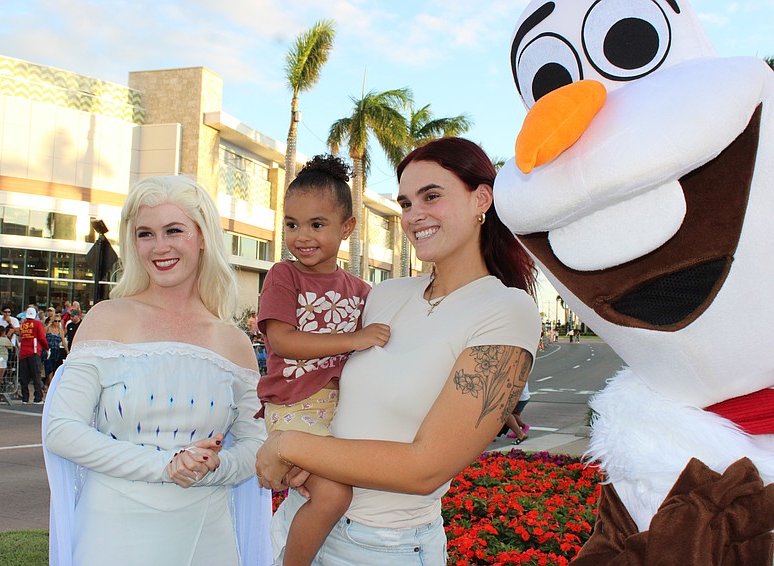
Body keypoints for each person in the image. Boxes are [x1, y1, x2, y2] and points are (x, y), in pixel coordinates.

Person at [256, 137, 541, 565]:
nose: (414, 215)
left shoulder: (506, 309)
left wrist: (287, 445)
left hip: (383, 546)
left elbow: (423, 469)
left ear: (481, 199)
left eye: (431, 196)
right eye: (406, 203)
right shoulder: (385, 295)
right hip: (308, 520)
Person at [43, 175, 271, 566]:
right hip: (110, 532)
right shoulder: (106, 319)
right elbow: (61, 429)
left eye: (174, 230)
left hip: (208, 535)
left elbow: (258, 446)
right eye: (145, 233)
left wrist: (214, 467)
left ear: (202, 236)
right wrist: (165, 465)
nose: (159, 247)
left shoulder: (231, 340)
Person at [257, 155, 390, 566]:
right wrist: (355, 337)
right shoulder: (284, 275)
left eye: (317, 224)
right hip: (294, 406)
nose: (302, 236)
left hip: (338, 412)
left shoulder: (363, 290)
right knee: (333, 492)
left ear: (347, 228)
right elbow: (283, 341)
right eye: (292, 224)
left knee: (336, 488)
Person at [18, 306, 47, 404]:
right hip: (33, 352)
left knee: (24, 376)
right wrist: (47, 348)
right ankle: (37, 398)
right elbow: (42, 338)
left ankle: (25, 398)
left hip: (23, 352)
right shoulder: (37, 324)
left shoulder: (22, 325)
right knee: (36, 376)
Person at [43, 313, 68, 387]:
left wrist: (67, 351)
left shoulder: (60, 330)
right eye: (56, 321)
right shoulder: (47, 329)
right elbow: (43, 339)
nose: (57, 323)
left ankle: (47, 384)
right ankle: (50, 385)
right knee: (49, 368)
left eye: (59, 321)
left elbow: (63, 342)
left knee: (54, 369)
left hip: (56, 351)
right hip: (48, 350)